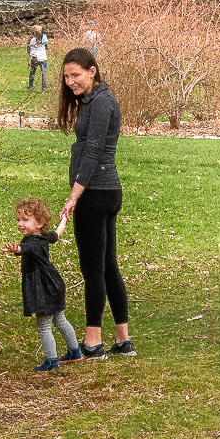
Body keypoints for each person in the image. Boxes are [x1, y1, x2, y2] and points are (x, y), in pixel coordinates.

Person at [54, 49, 135, 359]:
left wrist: (74, 195)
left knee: (93, 269)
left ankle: (92, 343)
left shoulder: (101, 102)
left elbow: (93, 152)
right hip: (106, 192)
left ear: (92, 71)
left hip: (96, 194)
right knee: (108, 266)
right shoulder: (95, 100)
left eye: (76, 75)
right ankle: (123, 340)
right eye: (66, 76)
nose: (71, 81)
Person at [3, 197, 81, 372]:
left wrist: (15, 249)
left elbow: (25, 249)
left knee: (43, 324)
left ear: (39, 223)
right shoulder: (44, 237)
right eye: (18, 220)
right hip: (53, 284)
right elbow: (58, 235)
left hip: (43, 287)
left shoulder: (32, 243)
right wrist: (64, 219)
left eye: (25, 220)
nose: (20, 224)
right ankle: (75, 352)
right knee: (60, 319)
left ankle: (52, 361)